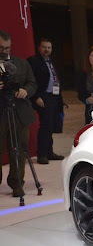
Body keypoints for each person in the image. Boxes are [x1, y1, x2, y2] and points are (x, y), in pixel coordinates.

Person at [0, 30, 37, 197]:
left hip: (19, 112)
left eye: (7, 48)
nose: (4, 51)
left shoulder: (22, 63)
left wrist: (25, 90)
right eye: (1, 48)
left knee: (19, 150)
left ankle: (17, 184)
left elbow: (32, 83)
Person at [27, 38, 65, 164]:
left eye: (49, 47)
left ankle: (49, 152)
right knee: (45, 125)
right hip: (42, 97)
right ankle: (42, 154)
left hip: (54, 97)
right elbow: (31, 80)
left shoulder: (51, 62)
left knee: (51, 125)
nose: (46, 50)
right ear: (39, 48)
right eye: (44, 47)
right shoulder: (33, 61)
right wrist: (36, 96)